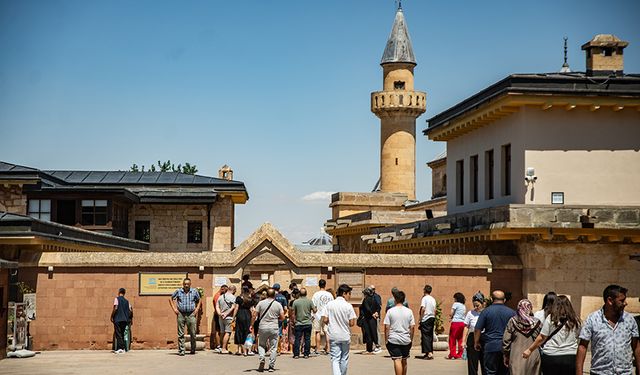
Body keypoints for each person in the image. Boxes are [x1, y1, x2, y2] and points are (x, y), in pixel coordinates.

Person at [577, 284, 640, 375]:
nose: (625, 303)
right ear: (610, 301)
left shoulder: (629, 319)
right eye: (622, 300)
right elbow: (582, 347)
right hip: (599, 373)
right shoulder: (593, 319)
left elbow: (636, 347)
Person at [522, 295, 580, 375]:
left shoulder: (551, 318)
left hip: (552, 355)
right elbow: (578, 336)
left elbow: (542, 337)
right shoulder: (575, 319)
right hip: (570, 356)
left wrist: (530, 350)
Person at [474, 290, 515, 375]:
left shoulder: (486, 311)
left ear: (492, 299)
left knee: (490, 372)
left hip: (490, 346)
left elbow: (478, 329)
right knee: (505, 372)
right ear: (504, 300)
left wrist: (476, 342)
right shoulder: (512, 312)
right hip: (506, 347)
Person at [322, 284, 357, 375]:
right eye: (349, 293)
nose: (350, 296)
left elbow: (325, 319)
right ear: (344, 293)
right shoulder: (348, 306)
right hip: (345, 335)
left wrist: (332, 321)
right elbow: (352, 323)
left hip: (334, 335)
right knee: (344, 358)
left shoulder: (329, 304)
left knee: (335, 358)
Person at [502, 299, 541, 375]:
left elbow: (506, 340)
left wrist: (506, 354)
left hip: (516, 356)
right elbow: (541, 338)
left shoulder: (512, 321)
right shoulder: (537, 322)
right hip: (533, 354)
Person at [254, 288, 285, 372]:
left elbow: (254, 315)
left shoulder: (260, 303)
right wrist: (276, 318)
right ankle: (271, 366)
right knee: (273, 347)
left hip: (263, 326)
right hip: (274, 327)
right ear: (274, 295)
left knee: (261, 345)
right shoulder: (278, 304)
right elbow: (283, 317)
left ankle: (262, 358)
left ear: (266, 295)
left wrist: (251, 325)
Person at [384, 290, 415, 375]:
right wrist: (411, 339)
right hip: (406, 339)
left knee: (397, 359)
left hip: (394, 339)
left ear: (395, 299)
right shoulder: (409, 311)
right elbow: (412, 327)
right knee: (404, 360)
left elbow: (387, 326)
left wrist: (386, 339)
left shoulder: (390, 311)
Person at [169, 278, 202, 356]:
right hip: (181, 314)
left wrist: (197, 309)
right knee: (180, 333)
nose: (186, 285)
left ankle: (193, 349)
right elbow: (170, 298)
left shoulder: (194, 291)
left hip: (191, 314)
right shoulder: (178, 291)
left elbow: (199, 299)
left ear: (190, 284)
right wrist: (174, 309)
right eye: (185, 284)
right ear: (183, 284)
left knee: (193, 333)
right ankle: (181, 350)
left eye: (187, 284)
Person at [463, 291, 485, 374]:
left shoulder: (486, 313)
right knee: (472, 362)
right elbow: (466, 327)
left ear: (482, 303)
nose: (476, 307)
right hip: (472, 337)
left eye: (477, 305)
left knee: (484, 362)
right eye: (474, 305)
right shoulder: (470, 313)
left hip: (483, 338)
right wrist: (463, 341)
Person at [292, 288, 316, 359]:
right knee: (307, 339)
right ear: (306, 293)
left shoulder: (296, 302)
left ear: (299, 293)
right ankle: (306, 354)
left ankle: (296, 354)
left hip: (298, 323)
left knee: (297, 339)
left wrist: (294, 320)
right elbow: (314, 310)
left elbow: (293, 313)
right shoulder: (310, 301)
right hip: (308, 323)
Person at [312, 279, 334, 355]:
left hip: (318, 314)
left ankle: (317, 349)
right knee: (326, 332)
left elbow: (313, 305)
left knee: (317, 331)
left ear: (319, 285)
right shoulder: (329, 295)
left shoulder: (316, 294)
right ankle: (328, 348)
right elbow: (332, 305)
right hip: (326, 314)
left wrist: (312, 314)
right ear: (325, 285)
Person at [234, 286, 255, 356]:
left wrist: (233, 317)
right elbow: (252, 310)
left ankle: (240, 350)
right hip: (248, 316)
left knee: (239, 331)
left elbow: (236, 308)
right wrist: (252, 319)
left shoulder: (239, 298)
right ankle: (247, 350)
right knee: (247, 332)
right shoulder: (250, 299)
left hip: (240, 315)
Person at [111, 287, 132, 354]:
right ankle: (123, 348)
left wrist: (112, 316)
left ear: (119, 292)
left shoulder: (117, 299)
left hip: (118, 319)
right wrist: (129, 318)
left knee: (118, 334)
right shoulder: (127, 301)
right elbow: (130, 311)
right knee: (122, 334)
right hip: (125, 320)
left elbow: (115, 308)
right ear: (124, 293)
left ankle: (120, 348)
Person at [217, 285, 237, 354]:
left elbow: (217, 306)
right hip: (229, 317)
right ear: (233, 290)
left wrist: (220, 314)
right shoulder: (233, 298)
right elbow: (233, 307)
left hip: (221, 317)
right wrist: (226, 314)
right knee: (228, 332)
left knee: (222, 332)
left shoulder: (220, 297)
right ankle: (224, 348)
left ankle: (220, 347)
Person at [360, 287, 381, 354]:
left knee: (368, 333)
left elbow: (367, 308)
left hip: (367, 319)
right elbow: (378, 307)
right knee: (373, 332)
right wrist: (376, 313)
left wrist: (372, 314)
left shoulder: (366, 299)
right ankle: (371, 348)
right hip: (373, 319)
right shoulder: (374, 299)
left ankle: (369, 349)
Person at [418, 284, 436, 360]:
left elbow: (423, 309)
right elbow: (435, 310)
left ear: (424, 290)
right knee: (430, 336)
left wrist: (420, 318)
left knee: (425, 336)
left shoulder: (424, 298)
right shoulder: (433, 299)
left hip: (425, 318)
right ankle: (428, 352)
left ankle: (429, 353)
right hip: (432, 317)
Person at [447, 292, 467, 359]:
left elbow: (451, 312)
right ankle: (460, 354)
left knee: (452, 339)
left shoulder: (455, 304)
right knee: (460, 339)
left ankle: (452, 354)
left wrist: (450, 317)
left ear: (456, 298)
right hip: (462, 323)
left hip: (455, 322)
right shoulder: (463, 306)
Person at [212, 284, 228, 352]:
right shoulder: (218, 296)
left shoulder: (219, 295)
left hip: (220, 314)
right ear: (222, 289)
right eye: (226, 290)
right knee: (218, 330)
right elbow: (217, 306)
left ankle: (220, 345)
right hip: (218, 314)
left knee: (220, 330)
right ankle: (218, 345)